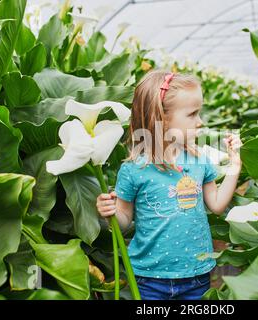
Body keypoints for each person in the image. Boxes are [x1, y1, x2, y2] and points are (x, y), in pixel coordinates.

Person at [96, 70, 242, 300]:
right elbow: (124, 221)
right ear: (161, 120)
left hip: (196, 274)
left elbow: (217, 205)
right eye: (192, 114)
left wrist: (234, 166)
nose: (200, 121)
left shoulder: (199, 161)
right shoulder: (135, 169)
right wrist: (110, 213)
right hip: (148, 278)